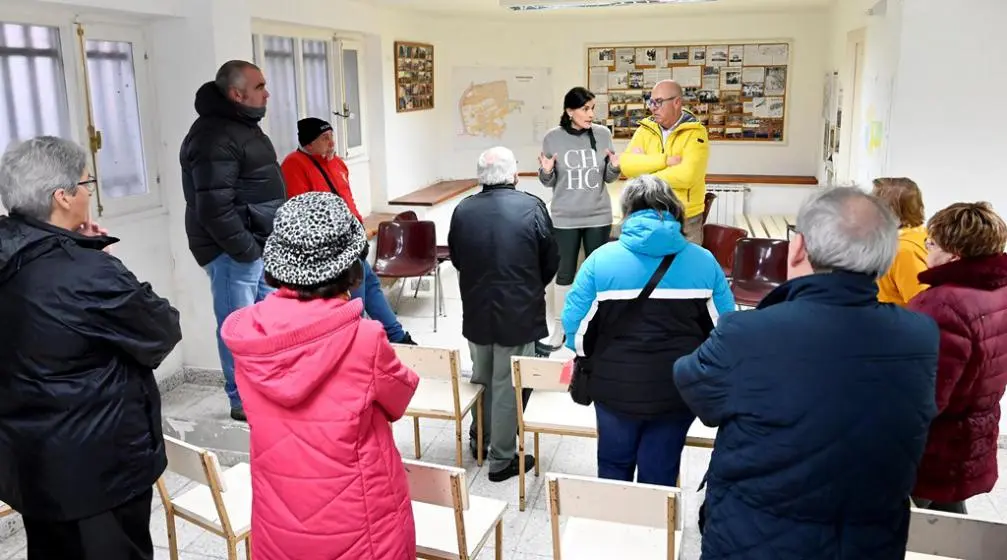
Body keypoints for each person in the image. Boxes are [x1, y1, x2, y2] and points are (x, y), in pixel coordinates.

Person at [674, 186, 939, 560]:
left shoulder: (748, 333)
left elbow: (695, 388)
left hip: (753, 540)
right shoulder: (920, 336)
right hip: (867, 542)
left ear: (797, 248)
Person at [0, 136, 182, 560]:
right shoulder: (86, 274)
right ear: (62, 196)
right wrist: (102, 260)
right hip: (96, 469)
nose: (89, 193)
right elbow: (160, 329)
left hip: (30, 464)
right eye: (86, 184)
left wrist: (86, 251)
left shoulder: (13, 256)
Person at [222, 192, 420, 560]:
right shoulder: (363, 338)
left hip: (279, 525)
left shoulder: (250, 335)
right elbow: (400, 399)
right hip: (360, 528)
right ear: (350, 266)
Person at [562, 175, 734, 487]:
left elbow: (574, 331)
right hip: (678, 388)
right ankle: (657, 532)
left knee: (614, 466)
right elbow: (725, 330)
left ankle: (616, 530)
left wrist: (590, 358)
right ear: (676, 211)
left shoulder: (600, 260)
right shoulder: (704, 261)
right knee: (661, 470)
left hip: (613, 387)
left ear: (626, 212)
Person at [180, 60, 287, 421]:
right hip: (233, 252)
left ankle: (268, 389)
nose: (267, 93)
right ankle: (242, 399)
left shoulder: (242, 127)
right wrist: (246, 251)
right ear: (236, 94)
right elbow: (212, 206)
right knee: (239, 326)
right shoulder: (214, 136)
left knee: (268, 324)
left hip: (256, 246)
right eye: (260, 87)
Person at [448, 146, 559, 481]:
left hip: (477, 309)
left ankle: (478, 442)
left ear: (481, 177)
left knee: (482, 378)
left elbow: (457, 257)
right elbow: (550, 260)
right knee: (508, 384)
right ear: (514, 174)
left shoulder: (463, 210)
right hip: (520, 311)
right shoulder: (532, 207)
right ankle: (502, 459)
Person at [908, 202, 1007, 514]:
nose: (926, 249)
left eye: (932, 242)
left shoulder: (941, 305)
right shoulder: (999, 290)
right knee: (948, 515)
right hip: (974, 429)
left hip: (935, 443)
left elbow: (924, 394)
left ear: (954, 253)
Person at [280, 117, 416, 345]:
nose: (332, 142)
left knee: (371, 288)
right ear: (309, 144)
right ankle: (358, 349)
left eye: (332, 136)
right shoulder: (294, 165)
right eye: (325, 138)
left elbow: (347, 199)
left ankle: (397, 337)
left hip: (353, 241)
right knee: (355, 302)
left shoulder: (337, 163)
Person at [539, 87, 621, 348]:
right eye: (585, 109)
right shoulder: (553, 138)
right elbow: (546, 180)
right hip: (564, 217)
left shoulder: (603, 134)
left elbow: (608, 178)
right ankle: (562, 328)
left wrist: (615, 167)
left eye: (593, 108)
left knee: (597, 272)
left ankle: (597, 326)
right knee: (564, 274)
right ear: (569, 111)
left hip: (598, 215)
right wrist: (547, 171)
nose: (591, 114)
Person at [620, 79, 710, 244]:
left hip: (684, 217)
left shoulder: (696, 132)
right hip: (648, 215)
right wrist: (665, 161)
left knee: (684, 269)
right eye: (651, 101)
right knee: (650, 269)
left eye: (659, 102)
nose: (652, 107)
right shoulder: (644, 130)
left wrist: (643, 172)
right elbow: (626, 166)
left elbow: (686, 176)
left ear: (677, 102)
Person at [872, 177, 928, 305]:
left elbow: (921, 305)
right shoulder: (922, 234)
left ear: (892, 210)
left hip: (892, 322)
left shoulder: (902, 251)